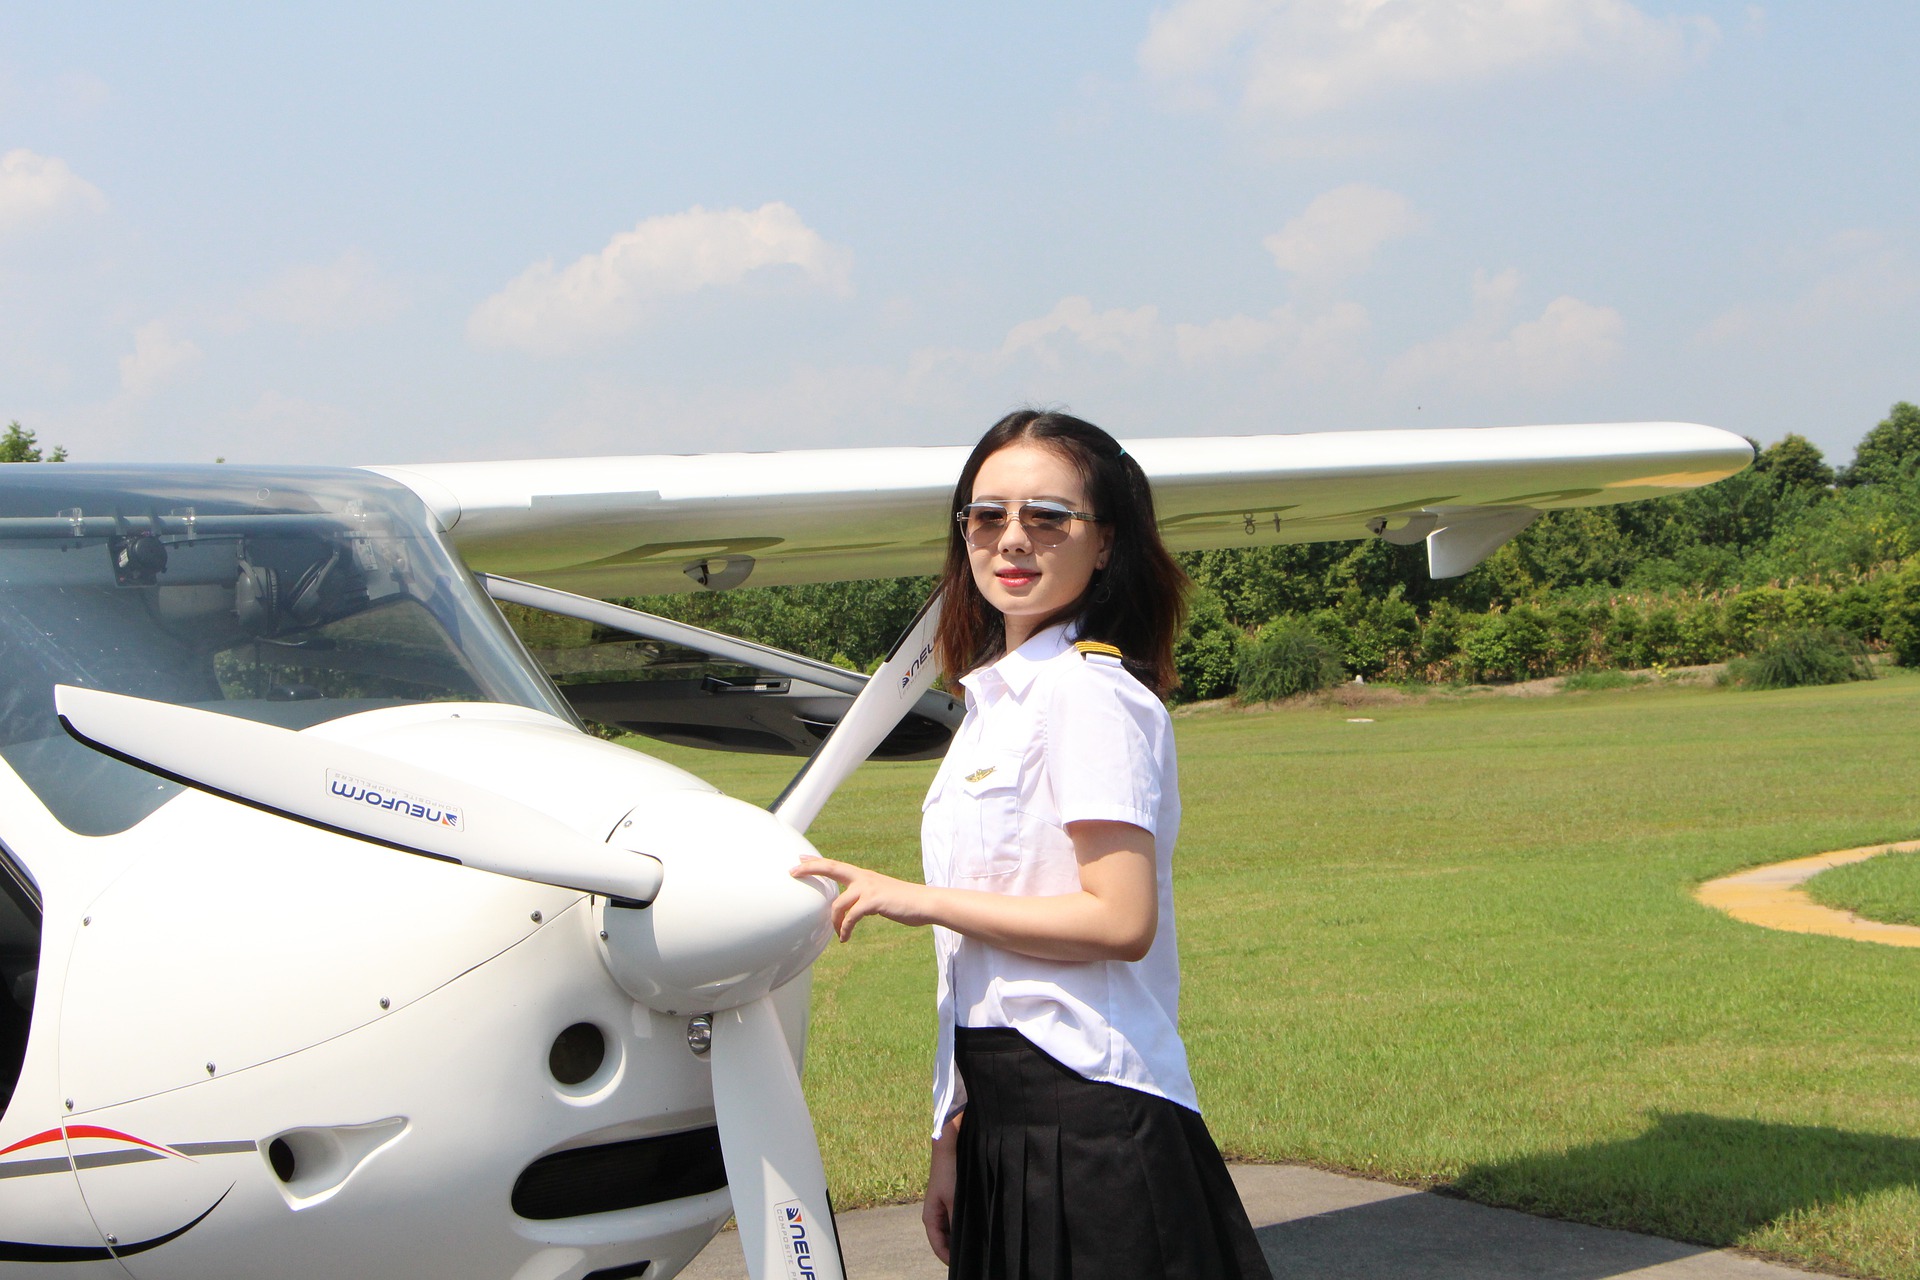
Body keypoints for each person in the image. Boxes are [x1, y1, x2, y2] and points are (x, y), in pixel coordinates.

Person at [792, 410, 1272, 1279]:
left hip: (1089, 1112)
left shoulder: (1087, 695)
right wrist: (953, 1136)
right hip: (1003, 1110)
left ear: (1105, 544)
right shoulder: (990, 708)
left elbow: (1120, 920)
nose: (1012, 539)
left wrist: (915, 897)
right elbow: (973, 970)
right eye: (986, 516)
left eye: (1048, 518)